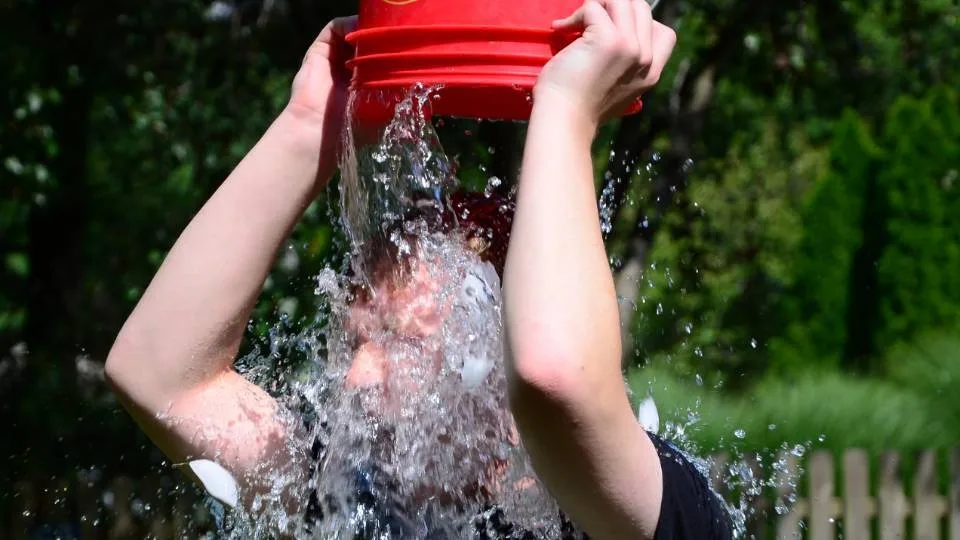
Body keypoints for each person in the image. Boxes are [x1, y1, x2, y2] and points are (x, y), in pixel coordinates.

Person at [105, 0, 732, 538]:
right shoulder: (349, 494)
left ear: (500, 341)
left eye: (400, 340)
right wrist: (306, 129)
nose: (355, 376)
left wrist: (567, 110)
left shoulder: (642, 507)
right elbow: (160, 379)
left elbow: (555, 378)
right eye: (355, 339)